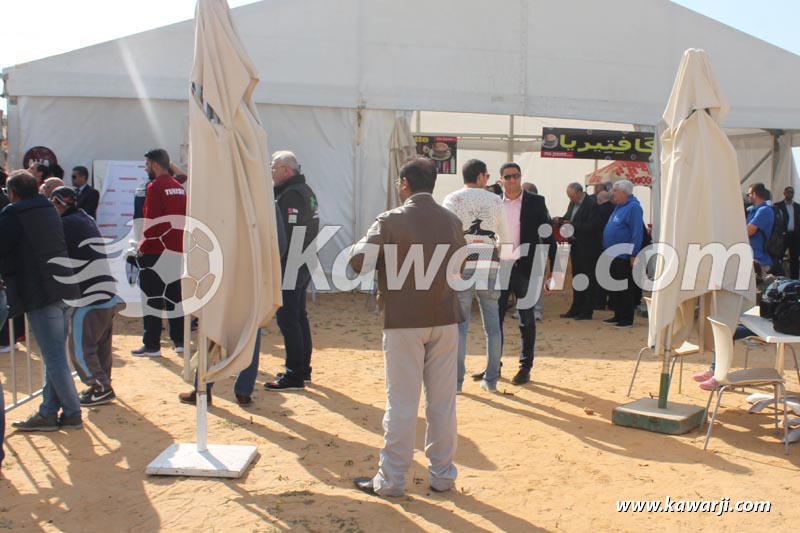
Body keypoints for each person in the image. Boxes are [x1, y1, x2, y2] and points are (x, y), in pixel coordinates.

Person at [350, 157, 465, 497]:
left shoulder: (390, 219)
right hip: (444, 317)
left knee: (401, 402)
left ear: (404, 184)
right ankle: (443, 476)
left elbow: (358, 262)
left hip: (403, 320)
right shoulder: (452, 220)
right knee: (442, 403)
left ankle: (392, 480)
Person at [0, 170, 83, 431]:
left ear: (12, 192)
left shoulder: (14, 213)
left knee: (54, 356)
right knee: (55, 355)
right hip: (65, 287)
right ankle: (48, 411)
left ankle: (71, 411)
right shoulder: (48, 208)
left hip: (41, 292)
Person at [443, 159, 508, 393]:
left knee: (460, 326)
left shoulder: (452, 199)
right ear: (481, 176)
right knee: (493, 326)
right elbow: (506, 237)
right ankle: (491, 380)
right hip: (488, 259)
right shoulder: (494, 200)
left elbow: (447, 235)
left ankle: (457, 382)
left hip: (461, 260)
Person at [51, 186, 118, 406]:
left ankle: (99, 386)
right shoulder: (84, 217)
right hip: (105, 292)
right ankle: (103, 383)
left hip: (89, 296)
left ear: (60, 204)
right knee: (100, 346)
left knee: (80, 348)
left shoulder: (66, 224)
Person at [492, 162, 555, 385]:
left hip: (525, 268)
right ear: (501, 180)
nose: (512, 180)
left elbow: (548, 235)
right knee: (494, 320)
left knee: (527, 321)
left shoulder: (536, 202)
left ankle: (525, 367)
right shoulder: (493, 202)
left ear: (520, 177)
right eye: (507, 177)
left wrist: (553, 269)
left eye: (515, 176)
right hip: (500, 268)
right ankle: (493, 366)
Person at [264, 151, 319, 391]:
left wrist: (275, 263)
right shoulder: (303, 190)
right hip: (302, 260)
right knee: (298, 316)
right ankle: (302, 369)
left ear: (287, 170)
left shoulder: (293, 194)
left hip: (292, 262)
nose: (271, 172)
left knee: (289, 318)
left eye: (273, 167)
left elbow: (285, 235)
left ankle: (295, 374)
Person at [131, 149, 187, 357]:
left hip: (156, 250)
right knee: (174, 296)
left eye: (147, 164)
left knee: (152, 298)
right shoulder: (178, 187)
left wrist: (142, 248)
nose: (145, 168)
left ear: (154, 164)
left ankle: (152, 344)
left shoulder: (155, 187)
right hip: (175, 249)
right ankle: (179, 341)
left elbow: (151, 221)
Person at [554, 182, 601, 321]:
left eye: (573, 196)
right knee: (577, 278)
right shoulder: (573, 204)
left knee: (587, 278)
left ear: (580, 193)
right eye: (569, 197)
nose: (571, 199)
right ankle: (576, 308)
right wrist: (560, 220)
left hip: (588, 248)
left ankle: (587, 310)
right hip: (576, 246)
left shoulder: (592, 204)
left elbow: (592, 226)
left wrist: (572, 225)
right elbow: (569, 218)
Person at [601, 180, 644, 329]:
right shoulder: (618, 207)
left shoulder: (633, 208)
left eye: (615, 190)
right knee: (615, 287)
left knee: (625, 287)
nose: (613, 193)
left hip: (624, 254)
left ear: (624, 192)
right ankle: (618, 314)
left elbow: (637, 232)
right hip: (612, 253)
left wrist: (634, 253)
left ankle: (626, 319)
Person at [745, 182, 774, 272]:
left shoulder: (765, 210)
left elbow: (749, 231)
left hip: (759, 261)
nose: (748, 197)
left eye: (748, 194)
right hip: (750, 258)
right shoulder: (752, 210)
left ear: (754, 194)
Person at [774, 186, 800, 279]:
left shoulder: (797, 206)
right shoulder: (778, 206)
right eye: (788, 192)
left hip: (794, 235)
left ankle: (795, 279)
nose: (790, 194)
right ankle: (778, 277)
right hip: (783, 235)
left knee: (795, 258)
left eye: (792, 192)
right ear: (784, 193)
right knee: (779, 256)